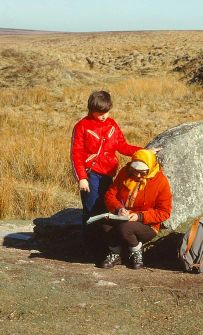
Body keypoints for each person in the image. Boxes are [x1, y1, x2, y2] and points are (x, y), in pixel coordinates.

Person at [70, 91, 142, 227]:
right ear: (91, 110)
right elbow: (76, 154)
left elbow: (122, 146)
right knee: (91, 210)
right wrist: (82, 178)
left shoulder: (112, 124)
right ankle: (90, 246)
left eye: (107, 112)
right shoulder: (81, 126)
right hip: (90, 174)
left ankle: (104, 244)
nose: (104, 117)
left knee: (108, 207)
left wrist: (143, 151)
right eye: (100, 113)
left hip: (108, 174)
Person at [100, 149, 172, 269]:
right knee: (105, 225)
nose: (138, 175)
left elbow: (164, 212)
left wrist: (140, 216)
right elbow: (110, 195)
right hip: (123, 216)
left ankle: (136, 251)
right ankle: (116, 254)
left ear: (150, 167)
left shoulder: (160, 182)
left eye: (142, 172)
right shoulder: (125, 172)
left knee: (125, 228)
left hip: (147, 224)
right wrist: (118, 209)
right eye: (135, 171)